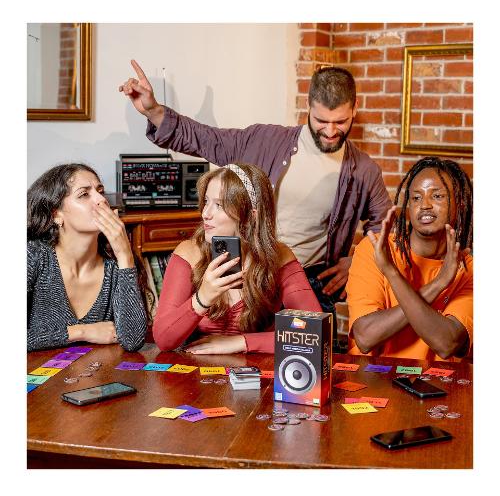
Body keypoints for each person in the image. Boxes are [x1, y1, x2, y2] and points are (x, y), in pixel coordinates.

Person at [119, 60, 391, 321]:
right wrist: (155, 112)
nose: (330, 131)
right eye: (321, 120)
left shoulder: (364, 170)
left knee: (309, 350)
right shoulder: (264, 140)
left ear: (355, 108)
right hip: (253, 276)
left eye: (340, 122)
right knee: (243, 349)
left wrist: (357, 261)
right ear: (308, 106)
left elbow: (384, 227)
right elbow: (206, 139)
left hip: (310, 283)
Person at [152, 163, 322, 354]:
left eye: (219, 205)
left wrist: (241, 342)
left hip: (257, 367)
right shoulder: (188, 254)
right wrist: (202, 298)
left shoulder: (279, 256)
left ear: (250, 216)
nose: (205, 213)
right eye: (206, 201)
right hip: (197, 366)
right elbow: (163, 340)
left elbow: (315, 331)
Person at [346, 156, 473, 361]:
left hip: (436, 379)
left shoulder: (470, 270)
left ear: (459, 203)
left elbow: (446, 343)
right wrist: (438, 283)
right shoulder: (376, 249)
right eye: (416, 198)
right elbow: (365, 337)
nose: (425, 205)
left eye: (437, 196)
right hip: (372, 375)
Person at [27, 163, 150, 352]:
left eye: (100, 191)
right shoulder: (33, 256)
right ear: (56, 215)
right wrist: (81, 332)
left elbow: (132, 340)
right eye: (84, 194)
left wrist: (124, 255)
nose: (102, 200)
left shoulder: (116, 263)